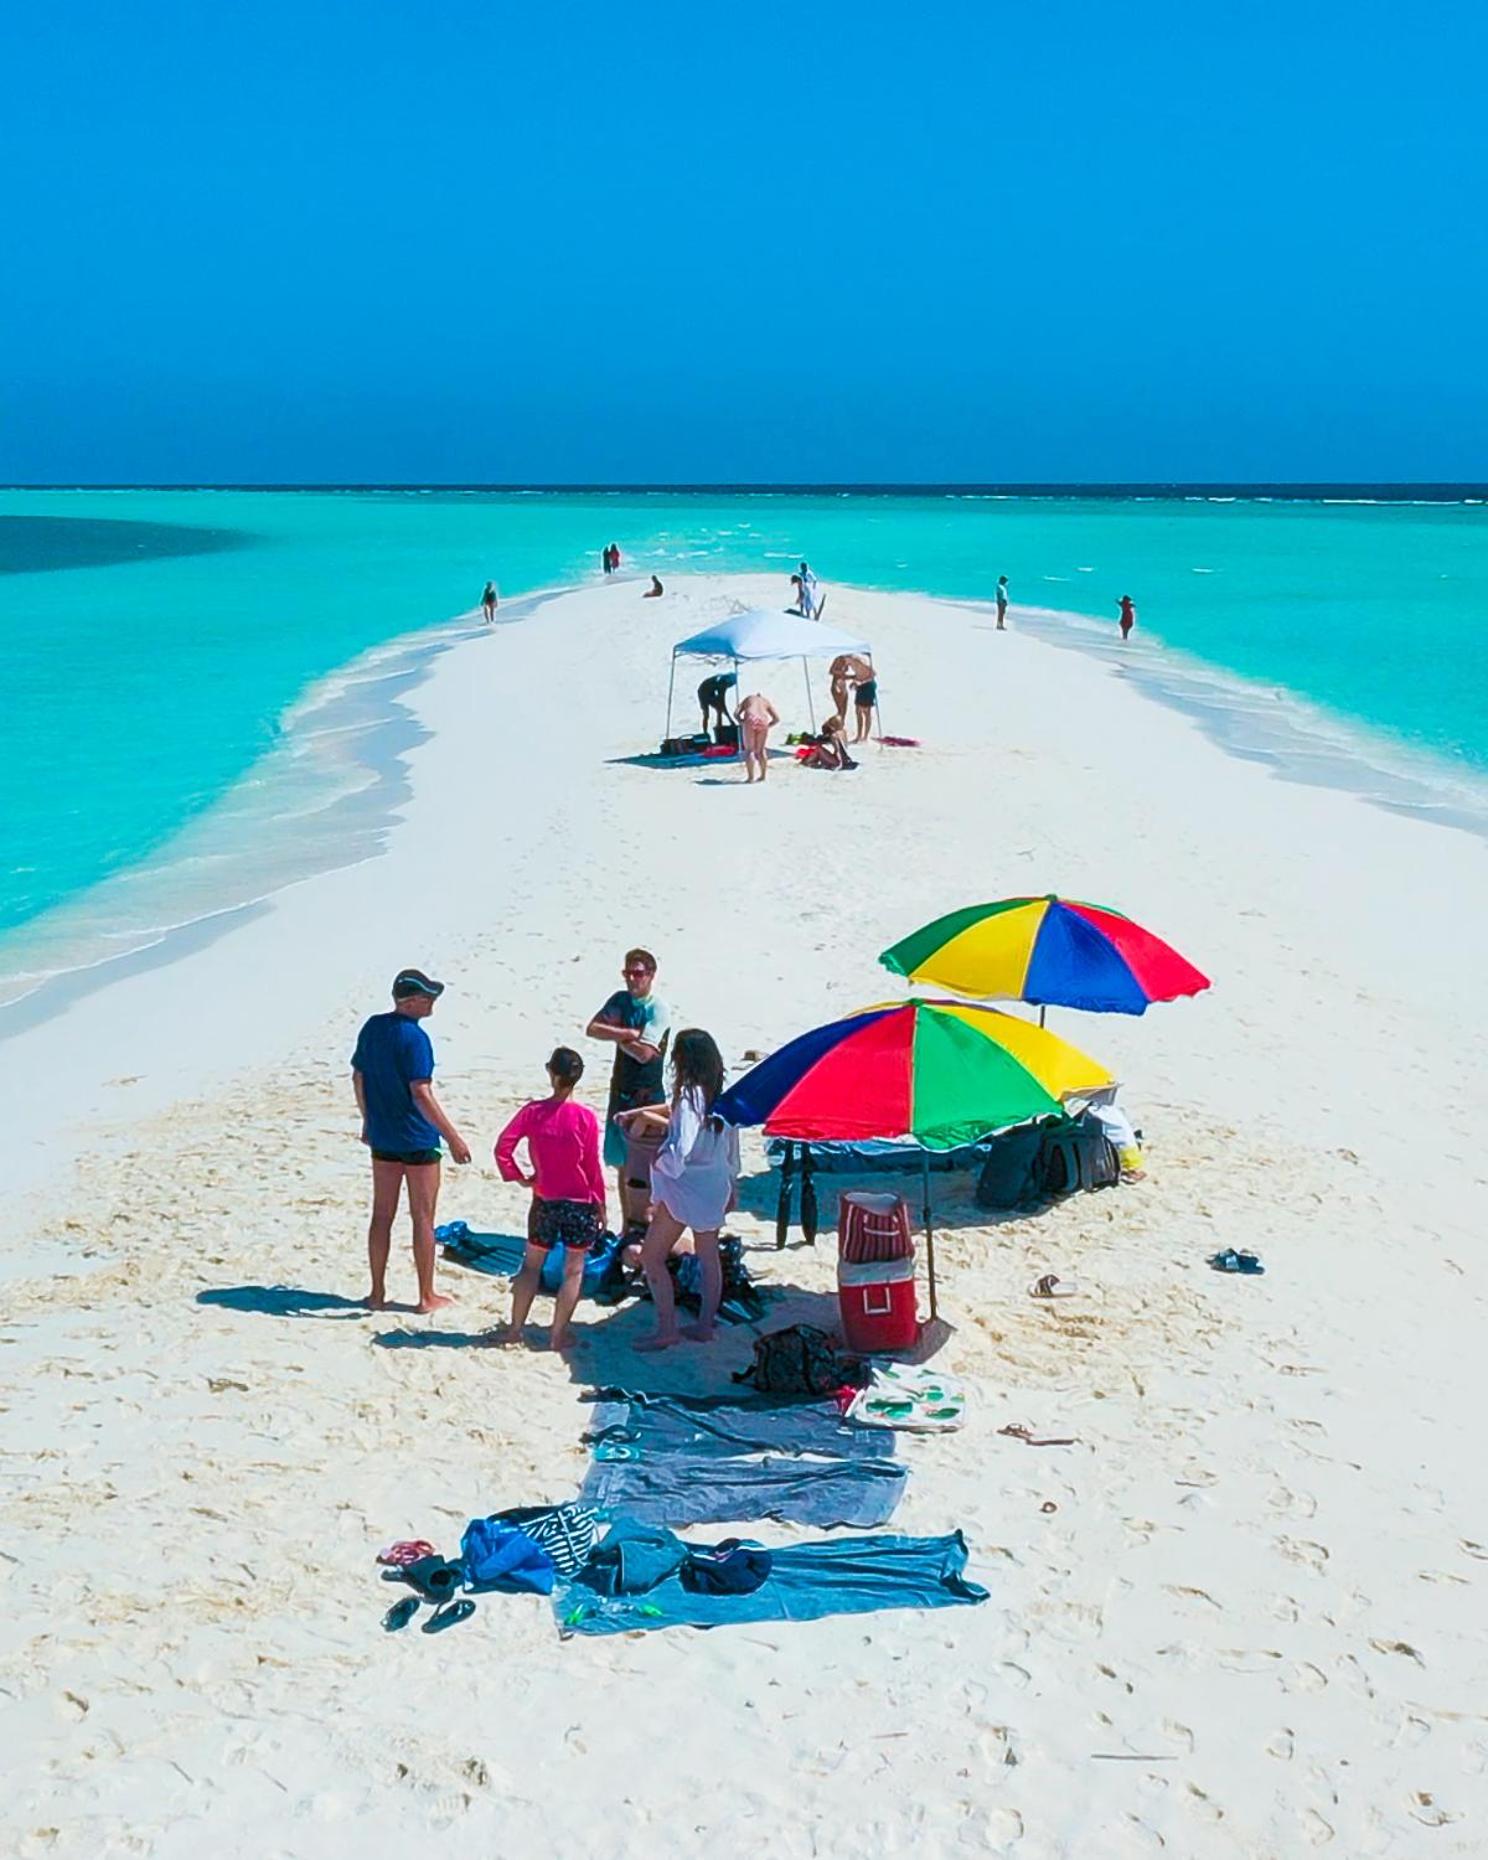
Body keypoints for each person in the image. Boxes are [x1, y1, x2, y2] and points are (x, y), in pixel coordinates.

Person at [351, 968, 472, 1313]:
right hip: (417, 1137)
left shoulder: (373, 1027)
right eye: (427, 997)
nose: (432, 1002)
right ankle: (426, 1296)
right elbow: (420, 1092)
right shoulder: (415, 1038)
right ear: (412, 1001)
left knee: (382, 1215)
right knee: (423, 1218)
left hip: (384, 1136)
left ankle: (377, 1293)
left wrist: (368, 1119)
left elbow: (358, 1077)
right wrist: (453, 1137)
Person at [628, 1030, 740, 1351]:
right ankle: (705, 1326)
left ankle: (667, 1329)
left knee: (652, 1257)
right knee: (709, 1258)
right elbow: (732, 1150)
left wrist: (660, 1162)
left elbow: (682, 1147)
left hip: (686, 1186)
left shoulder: (690, 1095)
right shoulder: (723, 1096)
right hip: (715, 1184)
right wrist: (732, 1184)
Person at [493, 1047, 607, 1352]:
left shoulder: (533, 1112)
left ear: (551, 1073)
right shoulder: (585, 1117)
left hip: (545, 1198)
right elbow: (592, 1167)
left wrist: (519, 1176)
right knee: (574, 1270)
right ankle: (558, 1335)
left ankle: (515, 1329)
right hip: (580, 1202)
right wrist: (601, 1205)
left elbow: (503, 1147)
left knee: (531, 1266)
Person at [586, 949, 674, 1232]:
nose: (632, 979)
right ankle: (627, 1226)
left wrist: (615, 1036)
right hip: (620, 1091)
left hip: (647, 1097)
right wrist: (626, 1034)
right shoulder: (620, 1001)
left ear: (651, 975)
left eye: (638, 974)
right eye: (628, 974)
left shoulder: (657, 1009)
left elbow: (645, 1053)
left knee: (648, 1166)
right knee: (623, 1164)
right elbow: (593, 1028)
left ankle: (650, 1226)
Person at [737, 690, 780, 782]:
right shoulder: (765, 701)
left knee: (750, 750)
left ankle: (750, 777)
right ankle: (763, 776)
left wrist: (741, 721)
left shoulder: (748, 699)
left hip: (750, 719)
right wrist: (768, 726)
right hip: (763, 720)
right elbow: (776, 719)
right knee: (761, 750)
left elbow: (736, 713)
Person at [829, 652, 871, 725]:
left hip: (843, 685)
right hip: (837, 684)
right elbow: (831, 671)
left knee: (844, 709)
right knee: (840, 709)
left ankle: (841, 724)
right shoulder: (838, 659)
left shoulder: (847, 661)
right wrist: (845, 674)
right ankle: (836, 724)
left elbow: (844, 676)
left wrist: (853, 677)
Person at [698, 669, 737, 734]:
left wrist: (730, 720)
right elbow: (722, 703)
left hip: (710, 692)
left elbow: (721, 703)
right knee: (706, 714)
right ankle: (707, 732)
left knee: (719, 709)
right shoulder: (722, 684)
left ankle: (719, 728)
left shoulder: (722, 680)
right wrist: (730, 720)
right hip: (702, 693)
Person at [852, 661, 879, 744]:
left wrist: (861, 682)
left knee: (866, 713)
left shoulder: (860, 661)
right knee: (858, 712)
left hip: (867, 687)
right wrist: (855, 681)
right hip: (861, 687)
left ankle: (865, 736)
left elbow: (873, 673)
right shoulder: (851, 664)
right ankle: (859, 735)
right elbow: (859, 675)